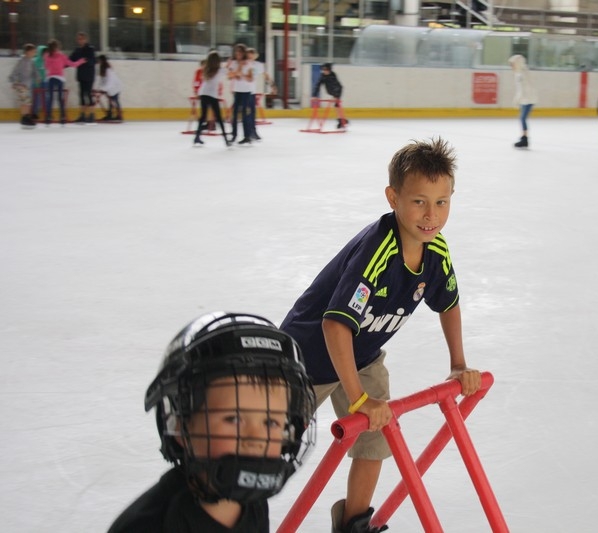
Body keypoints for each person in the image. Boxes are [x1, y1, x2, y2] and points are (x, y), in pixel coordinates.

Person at [280, 137, 482, 533]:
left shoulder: (435, 251)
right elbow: (335, 325)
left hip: (362, 355)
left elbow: (449, 303)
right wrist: (358, 398)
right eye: (419, 201)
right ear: (393, 197)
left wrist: (458, 364)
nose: (431, 215)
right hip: (307, 357)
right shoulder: (378, 251)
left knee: (375, 440)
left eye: (441, 202)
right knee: (271, 447)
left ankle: (353, 524)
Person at [107, 312, 317, 533]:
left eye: (271, 423)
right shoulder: (144, 526)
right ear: (179, 424)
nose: (256, 438)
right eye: (233, 419)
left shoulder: (251, 503)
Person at [194, 50, 231, 148]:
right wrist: (229, 64)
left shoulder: (206, 69)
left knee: (203, 116)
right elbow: (230, 73)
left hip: (203, 93)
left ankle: (197, 137)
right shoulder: (220, 70)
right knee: (219, 117)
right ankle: (226, 140)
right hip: (212, 95)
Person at [43, 39, 85, 125]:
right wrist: (81, 61)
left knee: (50, 98)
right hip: (59, 78)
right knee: (60, 98)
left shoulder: (47, 56)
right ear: (57, 47)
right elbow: (72, 64)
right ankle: (62, 117)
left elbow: (46, 67)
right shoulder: (61, 56)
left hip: (50, 78)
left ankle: (48, 117)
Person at [226, 43, 254, 146]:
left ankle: (247, 136)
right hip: (237, 90)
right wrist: (238, 70)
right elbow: (229, 75)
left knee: (245, 114)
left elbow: (251, 78)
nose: (238, 54)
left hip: (246, 91)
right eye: (237, 52)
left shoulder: (248, 64)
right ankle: (234, 135)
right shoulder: (233, 63)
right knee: (235, 113)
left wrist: (242, 74)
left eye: (240, 52)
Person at [8, 43, 41, 128]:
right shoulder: (21, 61)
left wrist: (38, 78)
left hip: (27, 85)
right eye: (33, 51)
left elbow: (35, 72)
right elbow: (14, 73)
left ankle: (26, 116)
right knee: (25, 102)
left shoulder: (31, 62)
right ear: (28, 52)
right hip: (21, 85)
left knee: (28, 102)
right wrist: (15, 82)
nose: (34, 53)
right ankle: (24, 117)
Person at [508, 54, 536, 148]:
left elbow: (524, 89)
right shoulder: (519, 73)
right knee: (522, 118)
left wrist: (518, 99)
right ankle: (524, 138)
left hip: (528, 99)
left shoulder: (522, 73)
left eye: (513, 64)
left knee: (522, 118)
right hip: (525, 99)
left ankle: (525, 139)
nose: (511, 66)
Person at [69, 31, 96, 123]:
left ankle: (92, 115)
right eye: (78, 39)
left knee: (88, 94)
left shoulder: (90, 49)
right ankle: (82, 115)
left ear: (85, 39)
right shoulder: (77, 50)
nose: (79, 41)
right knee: (81, 95)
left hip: (89, 75)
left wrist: (85, 61)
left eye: (81, 39)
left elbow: (93, 61)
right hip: (81, 76)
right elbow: (70, 60)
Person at [312, 62, 347, 129]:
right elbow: (318, 85)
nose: (324, 71)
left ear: (329, 70)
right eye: (323, 70)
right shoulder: (323, 76)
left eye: (326, 70)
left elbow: (337, 86)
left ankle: (341, 120)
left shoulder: (333, 75)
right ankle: (342, 120)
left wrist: (336, 96)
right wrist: (314, 95)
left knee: (337, 105)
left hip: (338, 90)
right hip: (330, 91)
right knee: (336, 105)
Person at [96, 55, 123, 122]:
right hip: (110, 88)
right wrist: (99, 89)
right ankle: (110, 115)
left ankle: (119, 115)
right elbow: (102, 81)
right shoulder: (102, 69)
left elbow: (110, 82)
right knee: (110, 101)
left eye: (99, 60)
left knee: (115, 100)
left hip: (115, 87)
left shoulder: (108, 70)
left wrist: (102, 90)